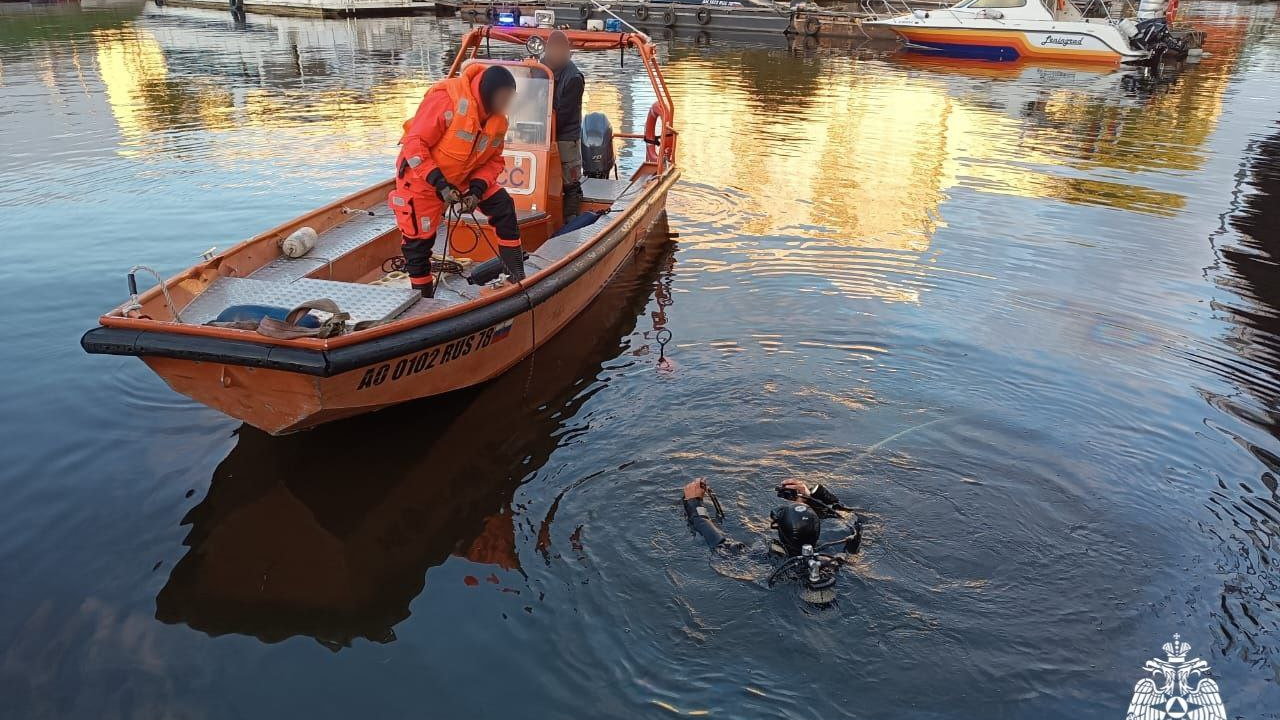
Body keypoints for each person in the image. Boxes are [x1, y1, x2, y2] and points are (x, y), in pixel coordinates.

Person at [389, 64, 525, 298]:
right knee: (418, 244)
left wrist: (477, 190)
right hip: (421, 178)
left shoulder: (499, 121)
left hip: (463, 178)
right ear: (488, 92)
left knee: (503, 206)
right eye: (503, 97)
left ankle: (517, 276)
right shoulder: (446, 100)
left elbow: (493, 161)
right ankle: (423, 300)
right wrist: (440, 184)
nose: (507, 103)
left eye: (510, 98)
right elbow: (414, 144)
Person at [681, 478, 863, 597]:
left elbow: (717, 541)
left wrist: (694, 504)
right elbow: (850, 518)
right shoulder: (838, 550)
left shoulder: (764, 561)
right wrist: (812, 496)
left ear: (777, 527)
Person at [541, 30, 585, 221]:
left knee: (570, 180)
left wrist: (546, 132)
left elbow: (565, 113)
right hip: (540, 130)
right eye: (554, 49)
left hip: (565, 134)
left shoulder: (574, 77)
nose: (557, 54)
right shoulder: (539, 68)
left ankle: (571, 218)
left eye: (561, 50)